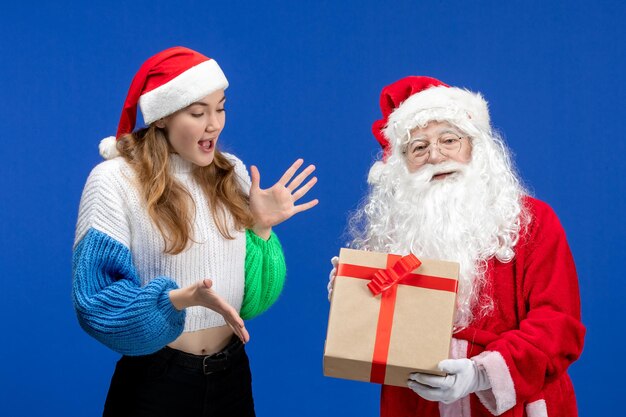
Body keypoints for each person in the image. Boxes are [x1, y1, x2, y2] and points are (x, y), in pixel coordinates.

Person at [73, 46, 318, 417]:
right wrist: (177, 299)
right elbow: (95, 303)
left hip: (231, 375)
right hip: (156, 382)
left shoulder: (231, 172)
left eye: (220, 108)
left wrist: (261, 229)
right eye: (198, 112)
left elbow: (252, 303)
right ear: (161, 118)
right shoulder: (114, 180)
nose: (214, 124)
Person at [328, 76, 585, 416]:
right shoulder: (394, 235)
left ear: (475, 147)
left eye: (449, 140)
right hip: (419, 405)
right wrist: (355, 295)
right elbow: (380, 339)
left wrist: (482, 373)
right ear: (401, 164)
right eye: (419, 147)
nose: (436, 155)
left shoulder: (533, 222)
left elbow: (558, 324)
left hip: (515, 406)